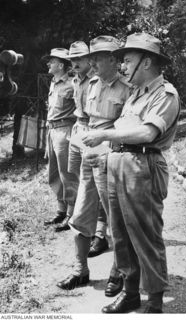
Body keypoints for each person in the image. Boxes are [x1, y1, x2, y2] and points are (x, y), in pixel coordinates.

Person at [82, 32, 180, 313]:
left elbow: (147, 132)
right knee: (121, 233)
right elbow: (124, 132)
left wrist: (105, 135)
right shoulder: (136, 93)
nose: (122, 66)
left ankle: (155, 300)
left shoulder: (166, 94)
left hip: (143, 166)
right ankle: (130, 291)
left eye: (127, 60)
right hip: (120, 163)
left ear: (146, 62)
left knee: (145, 233)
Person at [56, 35, 131, 297]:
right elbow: (85, 118)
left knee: (116, 218)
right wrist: (82, 142)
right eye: (92, 58)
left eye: (97, 58)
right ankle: (80, 270)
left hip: (112, 160)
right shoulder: (91, 85)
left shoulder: (127, 88)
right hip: (90, 157)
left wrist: (104, 146)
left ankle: (118, 271)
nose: (92, 62)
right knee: (80, 214)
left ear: (112, 59)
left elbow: (128, 130)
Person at [55, 41, 109, 255]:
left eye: (78, 59)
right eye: (72, 60)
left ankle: (101, 232)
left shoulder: (96, 80)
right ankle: (82, 223)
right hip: (79, 130)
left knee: (98, 183)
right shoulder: (76, 79)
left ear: (90, 60)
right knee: (78, 178)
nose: (74, 63)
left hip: (93, 132)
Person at [43, 48, 77, 229]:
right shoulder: (53, 83)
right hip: (52, 130)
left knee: (67, 174)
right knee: (54, 173)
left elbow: (81, 110)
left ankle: (71, 215)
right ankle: (60, 211)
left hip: (65, 131)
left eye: (52, 61)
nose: (48, 64)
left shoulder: (72, 85)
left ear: (61, 65)